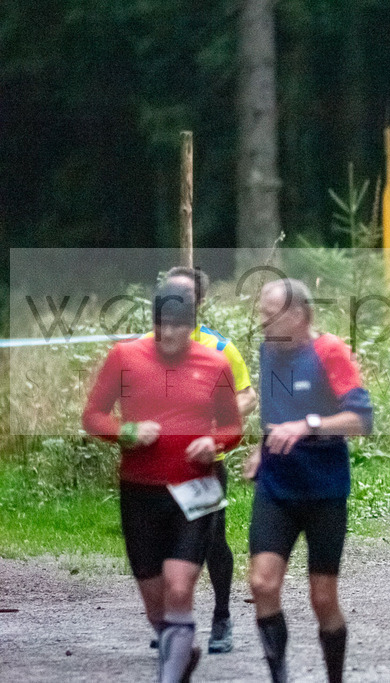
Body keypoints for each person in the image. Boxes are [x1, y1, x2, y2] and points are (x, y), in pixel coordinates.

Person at [83, 281, 243, 682]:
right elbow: (93, 416)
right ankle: (179, 649)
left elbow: (232, 425)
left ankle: (169, 675)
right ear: (152, 322)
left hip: (196, 487)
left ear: (192, 325)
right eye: (162, 324)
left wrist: (214, 441)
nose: (169, 333)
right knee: (156, 603)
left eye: (177, 325)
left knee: (178, 588)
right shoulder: (125, 357)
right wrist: (125, 431)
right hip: (140, 489)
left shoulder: (215, 363)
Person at [244, 278, 373, 683]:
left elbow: (361, 421)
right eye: (261, 313)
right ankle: (279, 676)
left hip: (324, 491)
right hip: (276, 487)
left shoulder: (329, 352)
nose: (261, 321)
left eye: (269, 314)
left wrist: (307, 425)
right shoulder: (268, 351)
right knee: (262, 584)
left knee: (322, 599)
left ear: (298, 316)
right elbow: (275, 415)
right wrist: (261, 447)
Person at [158, 266, 257, 654]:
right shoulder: (151, 344)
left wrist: (215, 418)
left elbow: (248, 395)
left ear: (199, 302)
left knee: (212, 540)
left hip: (203, 461)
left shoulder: (218, 348)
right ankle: (173, 620)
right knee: (163, 542)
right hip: (159, 462)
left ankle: (221, 617)